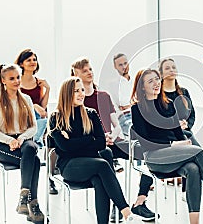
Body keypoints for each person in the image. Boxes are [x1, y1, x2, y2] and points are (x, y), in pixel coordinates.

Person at [131, 69, 203, 224]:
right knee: (196, 152)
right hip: (154, 157)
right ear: (142, 87)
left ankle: (194, 222)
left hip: (173, 155)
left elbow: (177, 132)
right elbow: (146, 141)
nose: (156, 83)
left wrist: (182, 142)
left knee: (193, 169)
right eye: (150, 81)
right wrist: (174, 144)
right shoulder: (137, 109)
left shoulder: (168, 104)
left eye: (157, 79)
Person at [71, 57, 156, 222]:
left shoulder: (103, 96)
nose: (89, 72)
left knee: (148, 150)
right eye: (84, 70)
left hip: (114, 140)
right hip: (95, 146)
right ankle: (116, 206)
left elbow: (116, 124)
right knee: (105, 154)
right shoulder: (77, 100)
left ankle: (141, 200)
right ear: (76, 74)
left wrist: (113, 134)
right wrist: (101, 138)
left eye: (90, 69)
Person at [49, 77, 141, 224]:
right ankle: (125, 210)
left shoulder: (91, 114)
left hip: (90, 163)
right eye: (76, 91)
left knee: (100, 179)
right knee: (103, 164)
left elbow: (100, 144)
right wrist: (89, 139)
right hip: (69, 166)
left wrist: (74, 141)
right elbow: (65, 148)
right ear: (67, 94)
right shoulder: (57, 117)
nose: (81, 94)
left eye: (82, 90)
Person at [0, 64, 44, 224]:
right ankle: (33, 205)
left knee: (31, 148)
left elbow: (33, 127)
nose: (17, 81)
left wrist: (21, 138)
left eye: (18, 77)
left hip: (23, 142)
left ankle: (24, 197)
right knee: (36, 161)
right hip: (5, 146)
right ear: (3, 80)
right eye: (12, 78)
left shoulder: (26, 99)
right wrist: (10, 140)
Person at [14, 49, 58, 195]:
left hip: (39, 120)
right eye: (29, 60)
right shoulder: (16, 82)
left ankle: (51, 178)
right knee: (39, 117)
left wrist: (48, 89)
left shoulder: (39, 83)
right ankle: (37, 139)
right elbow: (17, 105)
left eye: (34, 59)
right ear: (21, 63)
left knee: (52, 138)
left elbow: (43, 107)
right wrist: (33, 106)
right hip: (22, 121)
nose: (33, 62)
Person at [158, 58, 196, 189]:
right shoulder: (158, 94)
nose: (171, 70)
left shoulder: (184, 92)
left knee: (187, 135)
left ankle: (187, 191)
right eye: (167, 68)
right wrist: (175, 126)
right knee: (188, 138)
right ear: (161, 74)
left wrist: (186, 125)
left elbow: (192, 115)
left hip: (184, 132)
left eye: (173, 67)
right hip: (166, 137)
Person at [111, 53, 133, 135]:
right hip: (125, 118)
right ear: (115, 67)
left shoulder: (136, 81)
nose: (124, 67)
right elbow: (119, 106)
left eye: (125, 63)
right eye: (120, 65)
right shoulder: (114, 85)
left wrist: (128, 105)